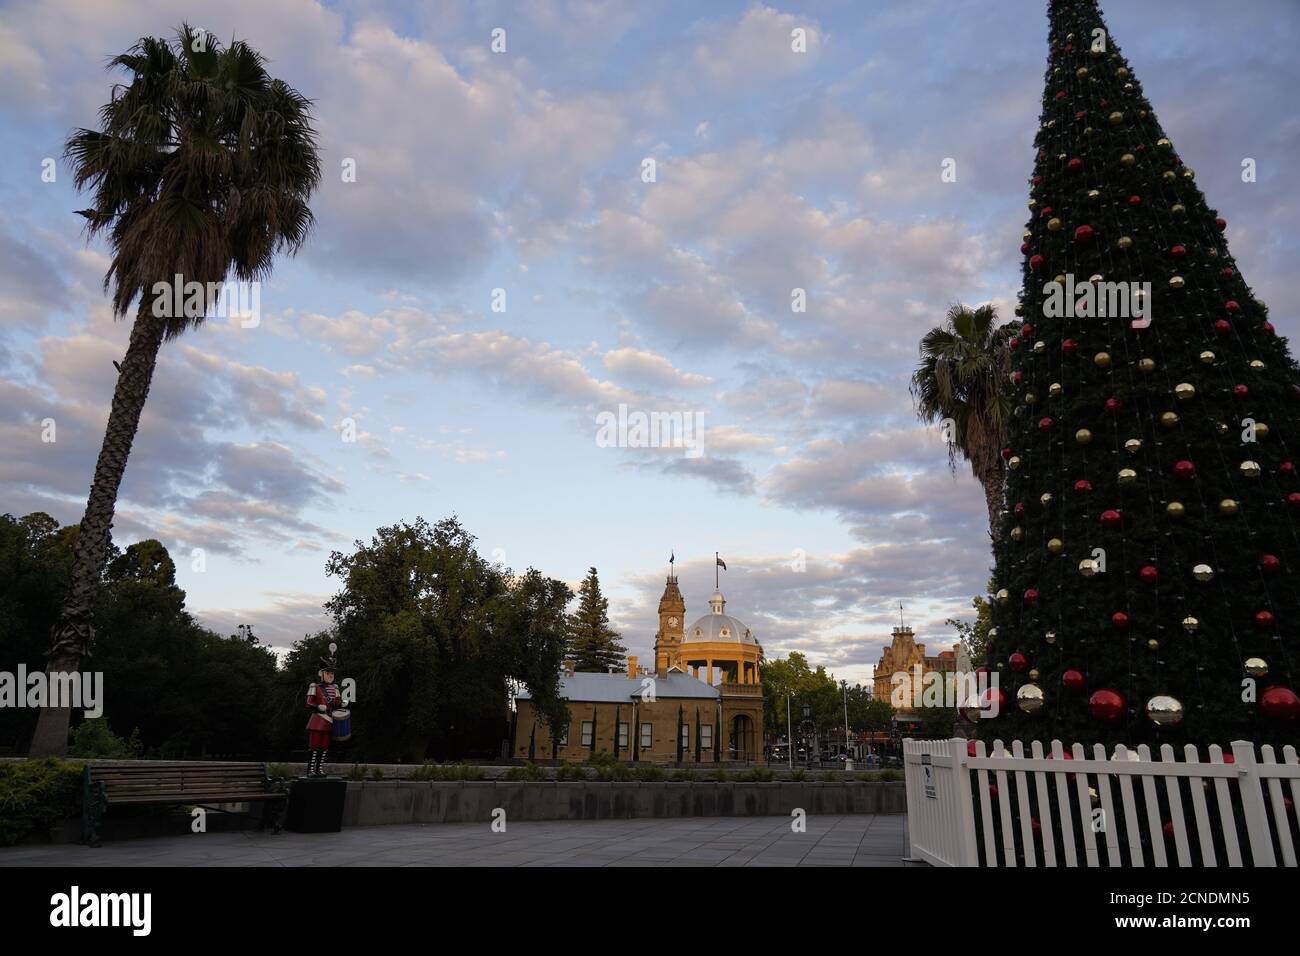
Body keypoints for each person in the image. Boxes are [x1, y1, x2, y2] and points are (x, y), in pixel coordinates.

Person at [305, 646, 345, 777]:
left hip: (329, 721)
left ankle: (319, 769)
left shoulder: (335, 688)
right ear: (321, 673)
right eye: (328, 673)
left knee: (324, 747)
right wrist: (317, 707)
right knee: (314, 747)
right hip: (317, 721)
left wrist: (342, 703)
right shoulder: (314, 686)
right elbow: (309, 703)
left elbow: (336, 703)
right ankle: (311, 770)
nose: (330, 676)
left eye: (332, 673)